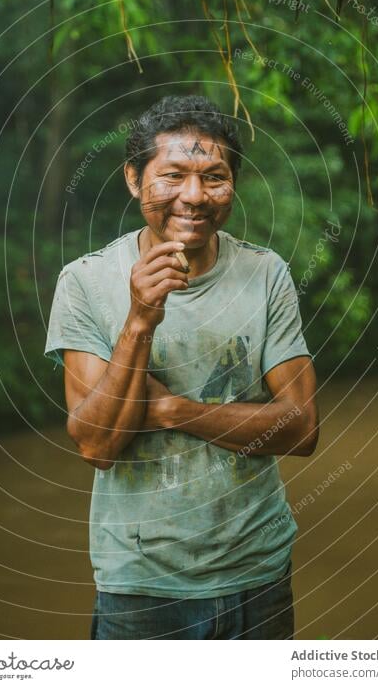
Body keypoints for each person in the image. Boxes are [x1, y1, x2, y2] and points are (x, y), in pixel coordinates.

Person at [44, 95, 318, 639]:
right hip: (139, 583)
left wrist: (171, 410)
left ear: (232, 184)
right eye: (171, 175)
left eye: (213, 177)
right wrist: (140, 318)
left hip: (257, 573)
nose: (193, 197)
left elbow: (303, 427)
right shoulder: (85, 282)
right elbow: (96, 444)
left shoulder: (266, 274)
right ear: (132, 179)